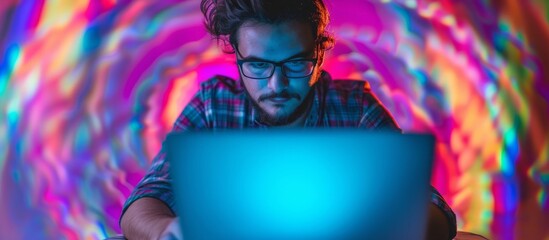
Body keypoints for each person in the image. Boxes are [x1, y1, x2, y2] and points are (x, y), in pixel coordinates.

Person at [119, 0, 457, 239]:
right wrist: (165, 231)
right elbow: (146, 200)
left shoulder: (355, 108)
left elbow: (432, 210)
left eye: (295, 64)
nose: (276, 85)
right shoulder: (213, 105)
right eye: (258, 65)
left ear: (319, 54)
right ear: (237, 57)